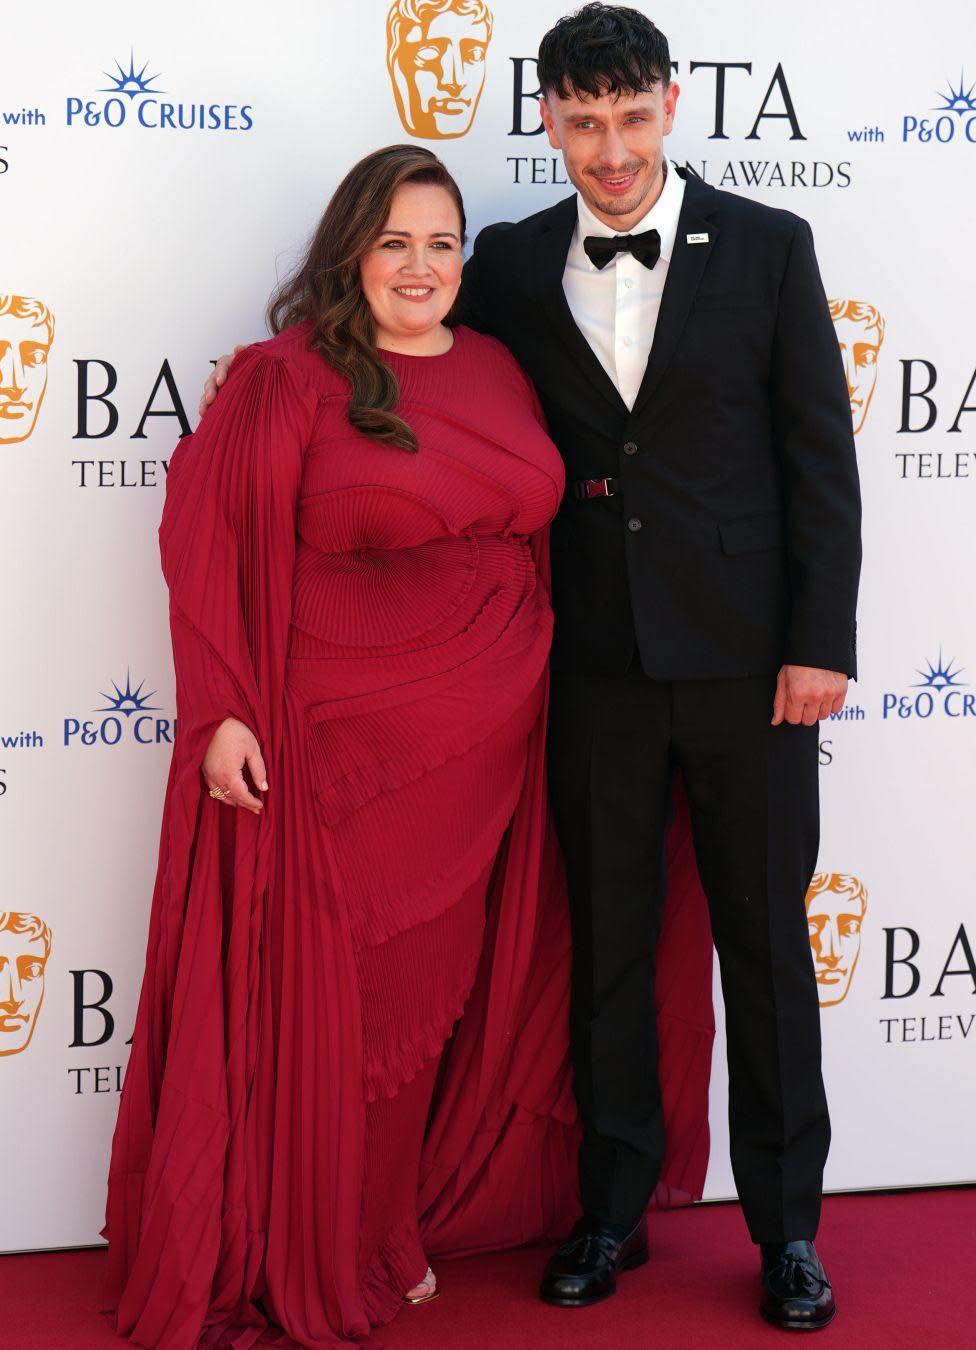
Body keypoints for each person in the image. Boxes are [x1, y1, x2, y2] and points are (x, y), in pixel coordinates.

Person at [202, 5, 861, 1331]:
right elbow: (405, 355)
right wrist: (271, 389)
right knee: (608, 943)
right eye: (581, 120)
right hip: (592, 668)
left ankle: (787, 1231)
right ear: (549, 117)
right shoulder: (502, 260)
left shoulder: (774, 249)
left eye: (630, 117)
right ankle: (609, 1210)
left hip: (749, 672)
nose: (608, 150)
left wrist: (819, 643)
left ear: (671, 106)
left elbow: (819, 461)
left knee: (767, 952)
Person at [105, 142, 713, 1348]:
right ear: (351, 254)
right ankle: (307, 1241)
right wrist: (224, 706)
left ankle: (381, 1222)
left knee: (425, 1008)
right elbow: (207, 544)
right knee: (339, 1001)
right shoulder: (284, 379)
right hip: (336, 753)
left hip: (487, 750)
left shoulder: (498, 366)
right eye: (393, 243)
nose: (421, 266)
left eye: (442, 243)